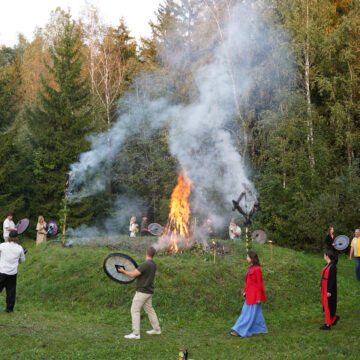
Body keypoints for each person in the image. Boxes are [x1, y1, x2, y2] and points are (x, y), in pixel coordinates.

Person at [119, 246, 161, 339]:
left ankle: (136, 334)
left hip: (142, 291)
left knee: (135, 310)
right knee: (150, 310)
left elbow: (133, 274)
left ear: (146, 253)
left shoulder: (145, 264)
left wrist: (123, 271)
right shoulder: (153, 264)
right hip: (149, 291)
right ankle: (157, 330)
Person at [231, 251, 268, 337]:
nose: (246, 258)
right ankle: (262, 329)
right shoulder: (251, 268)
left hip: (254, 296)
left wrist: (259, 297)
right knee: (257, 313)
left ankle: (239, 330)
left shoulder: (257, 269)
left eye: (247, 257)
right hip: (250, 294)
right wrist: (245, 291)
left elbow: (259, 284)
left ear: (252, 258)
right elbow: (248, 282)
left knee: (246, 313)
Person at [0, 230, 26, 312]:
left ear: (9, 237)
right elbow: (22, 261)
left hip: (2, 271)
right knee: (11, 291)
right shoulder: (19, 248)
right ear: (17, 238)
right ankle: (9, 309)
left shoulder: (2, 245)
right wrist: (23, 253)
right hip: (12, 273)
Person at [320, 249, 339, 330]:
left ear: (327, 256)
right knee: (325, 304)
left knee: (328, 305)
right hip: (324, 286)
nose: (324, 256)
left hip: (328, 287)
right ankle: (333, 319)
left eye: (324, 255)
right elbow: (323, 276)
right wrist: (320, 285)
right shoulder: (327, 265)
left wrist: (329, 291)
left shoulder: (333, 266)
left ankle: (327, 324)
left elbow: (332, 280)